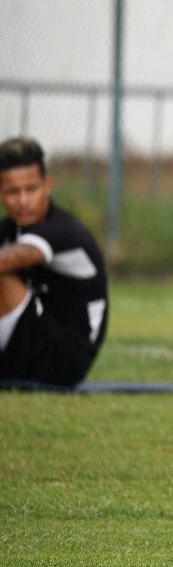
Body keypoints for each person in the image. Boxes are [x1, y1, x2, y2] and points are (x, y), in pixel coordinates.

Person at [0, 137, 108, 386]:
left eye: (31, 189)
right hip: (32, 342)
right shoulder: (9, 230)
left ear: (47, 185)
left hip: (64, 358)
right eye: (13, 192)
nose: (23, 200)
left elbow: (11, 259)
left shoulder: (65, 231)